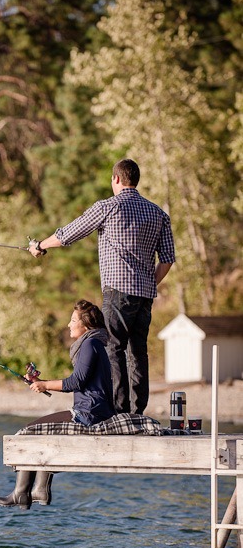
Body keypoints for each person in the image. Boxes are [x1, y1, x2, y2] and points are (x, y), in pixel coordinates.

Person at [28, 158, 175, 416]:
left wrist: (40, 245)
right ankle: (136, 412)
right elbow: (167, 259)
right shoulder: (159, 214)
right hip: (145, 295)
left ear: (116, 179)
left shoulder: (108, 207)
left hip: (117, 291)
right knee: (138, 353)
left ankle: (119, 411)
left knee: (114, 348)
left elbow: (69, 234)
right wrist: (149, 283)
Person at [0, 299, 114, 511]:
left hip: (89, 414)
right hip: (91, 410)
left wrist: (45, 384)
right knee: (37, 431)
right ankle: (38, 489)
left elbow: (76, 382)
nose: (69, 324)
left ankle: (22, 493)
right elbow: (79, 380)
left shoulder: (90, 343)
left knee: (28, 432)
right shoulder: (92, 343)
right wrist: (39, 383)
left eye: (73, 320)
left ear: (85, 325)